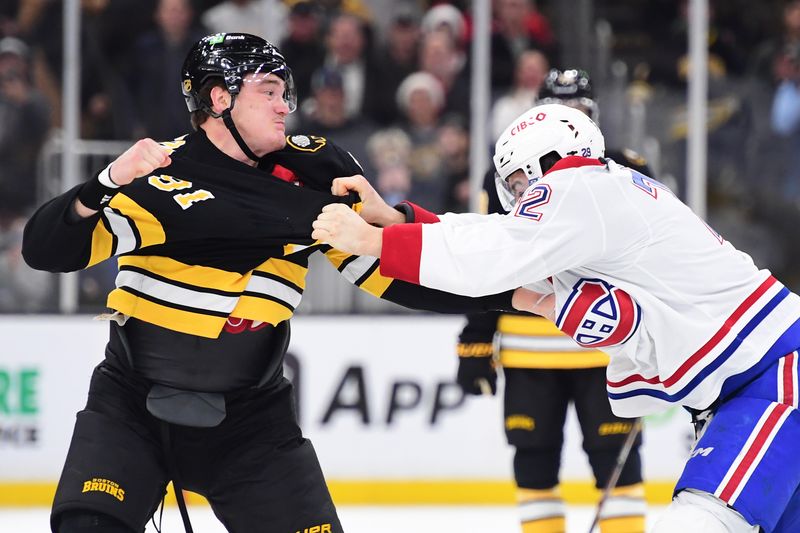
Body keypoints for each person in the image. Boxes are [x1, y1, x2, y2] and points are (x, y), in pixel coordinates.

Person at [22, 33, 514, 533]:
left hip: (251, 423)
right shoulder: (156, 174)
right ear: (220, 98)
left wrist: (516, 296)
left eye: (285, 93)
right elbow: (43, 250)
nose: (285, 107)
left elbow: (395, 274)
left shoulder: (316, 175)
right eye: (270, 92)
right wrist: (103, 184)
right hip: (132, 410)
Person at [311, 103, 800, 533]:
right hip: (759, 378)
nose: (520, 196)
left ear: (549, 162)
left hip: (772, 381)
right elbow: (499, 239)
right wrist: (400, 221)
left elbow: (494, 254)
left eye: (522, 182)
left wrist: (376, 242)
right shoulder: (602, 205)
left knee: (701, 520)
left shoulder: (579, 185)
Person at [456, 69, 648, 533]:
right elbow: (488, 258)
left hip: (605, 349)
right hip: (529, 348)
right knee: (534, 459)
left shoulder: (627, 169)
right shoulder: (505, 175)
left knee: (616, 468)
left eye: (578, 111)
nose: (569, 122)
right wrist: (476, 339)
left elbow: (650, 262)